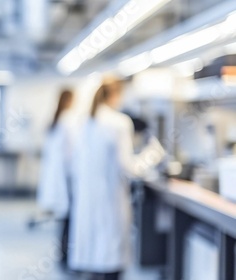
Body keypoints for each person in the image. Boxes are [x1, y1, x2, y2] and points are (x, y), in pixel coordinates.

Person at [68, 79, 164, 279]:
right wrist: (153, 154)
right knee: (110, 260)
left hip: (87, 201)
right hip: (110, 203)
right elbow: (130, 169)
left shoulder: (84, 121)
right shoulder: (118, 122)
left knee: (94, 261)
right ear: (116, 94)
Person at [37, 89, 75, 266]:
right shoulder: (67, 121)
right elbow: (70, 154)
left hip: (58, 177)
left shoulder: (55, 120)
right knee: (67, 220)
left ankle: (63, 255)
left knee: (64, 219)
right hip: (65, 178)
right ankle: (65, 256)